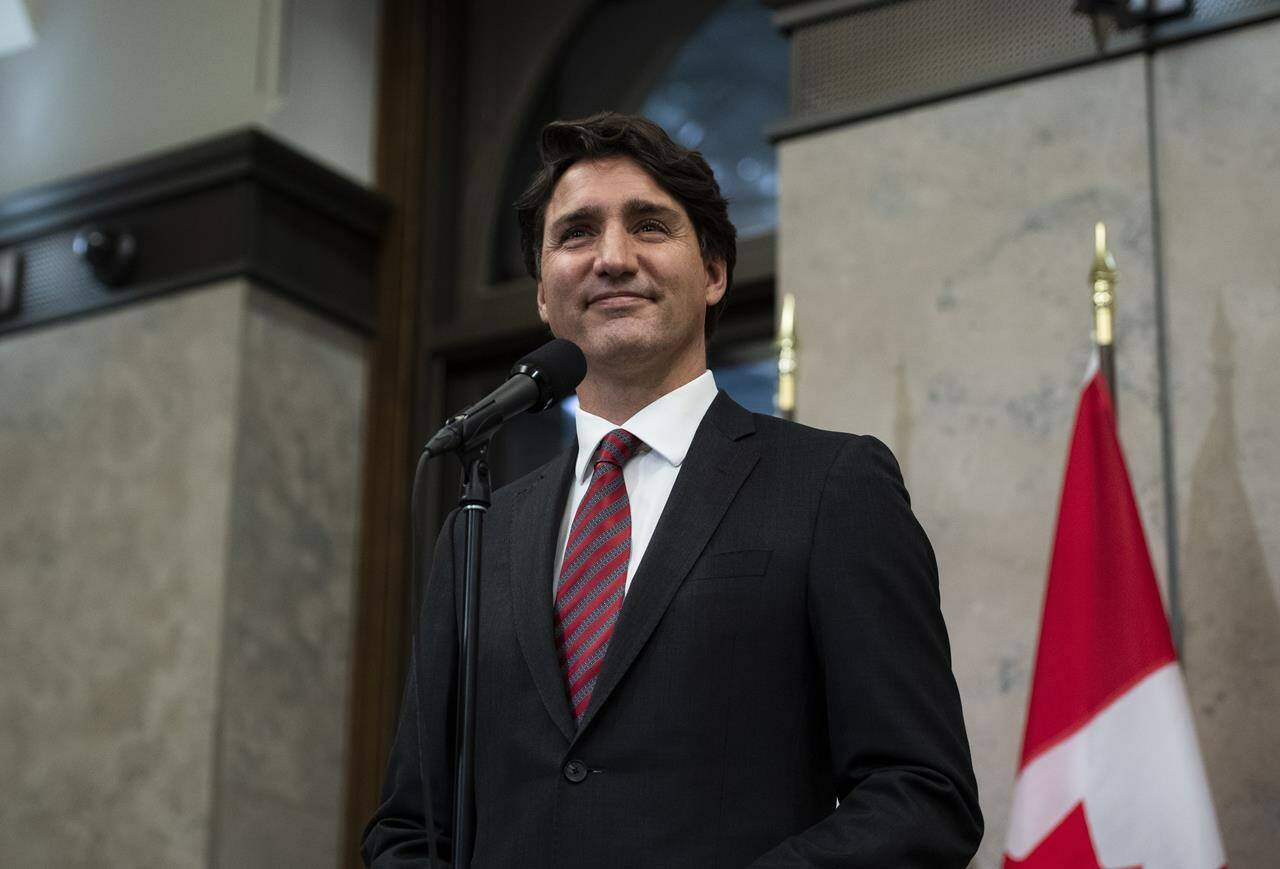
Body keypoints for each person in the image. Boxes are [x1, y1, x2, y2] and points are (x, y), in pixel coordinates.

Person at [363, 112, 982, 867]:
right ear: (541, 293)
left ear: (714, 272)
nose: (613, 258)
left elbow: (922, 792)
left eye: (650, 226)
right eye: (577, 233)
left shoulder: (832, 485)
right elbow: (408, 826)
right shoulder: (479, 526)